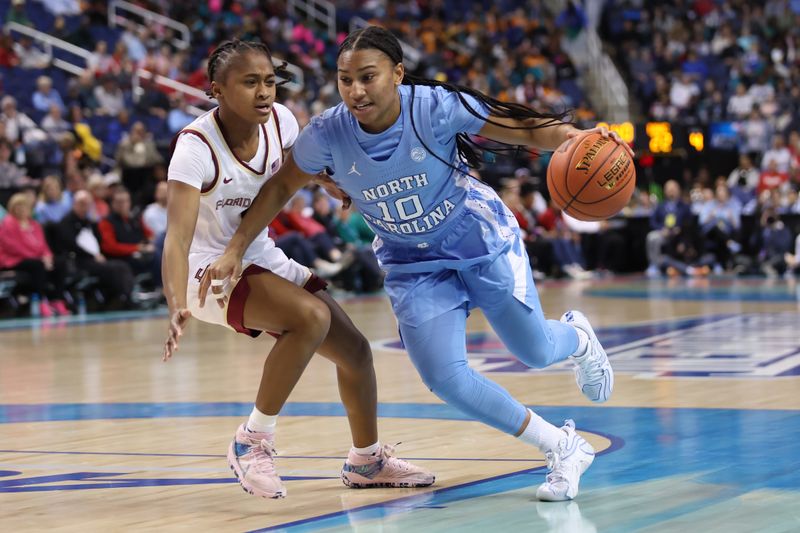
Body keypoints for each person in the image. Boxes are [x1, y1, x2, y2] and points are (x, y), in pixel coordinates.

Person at [201, 26, 631, 502]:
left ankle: (577, 337)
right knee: (444, 378)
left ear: (398, 74)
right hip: (412, 262)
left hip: (477, 239)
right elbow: (282, 186)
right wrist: (237, 246)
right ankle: (562, 446)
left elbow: (524, 128)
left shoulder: (434, 108)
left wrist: (578, 138)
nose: (356, 91)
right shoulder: (326, 133)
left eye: (368, 77)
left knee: (533, 350)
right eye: (346, 80)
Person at [161, 39, 433, 500]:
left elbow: (298, 167)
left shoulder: (283, 120)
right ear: (217, 90)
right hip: (205, 272)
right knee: (310, 318)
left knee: (356, 352)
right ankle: (252, 441)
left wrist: (329, 182)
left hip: (259, 256)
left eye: (269, 81)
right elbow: (177, 238)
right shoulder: (194, 147)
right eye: (250, 82)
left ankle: (366, 461)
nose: (264, 92)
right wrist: (175, 302)